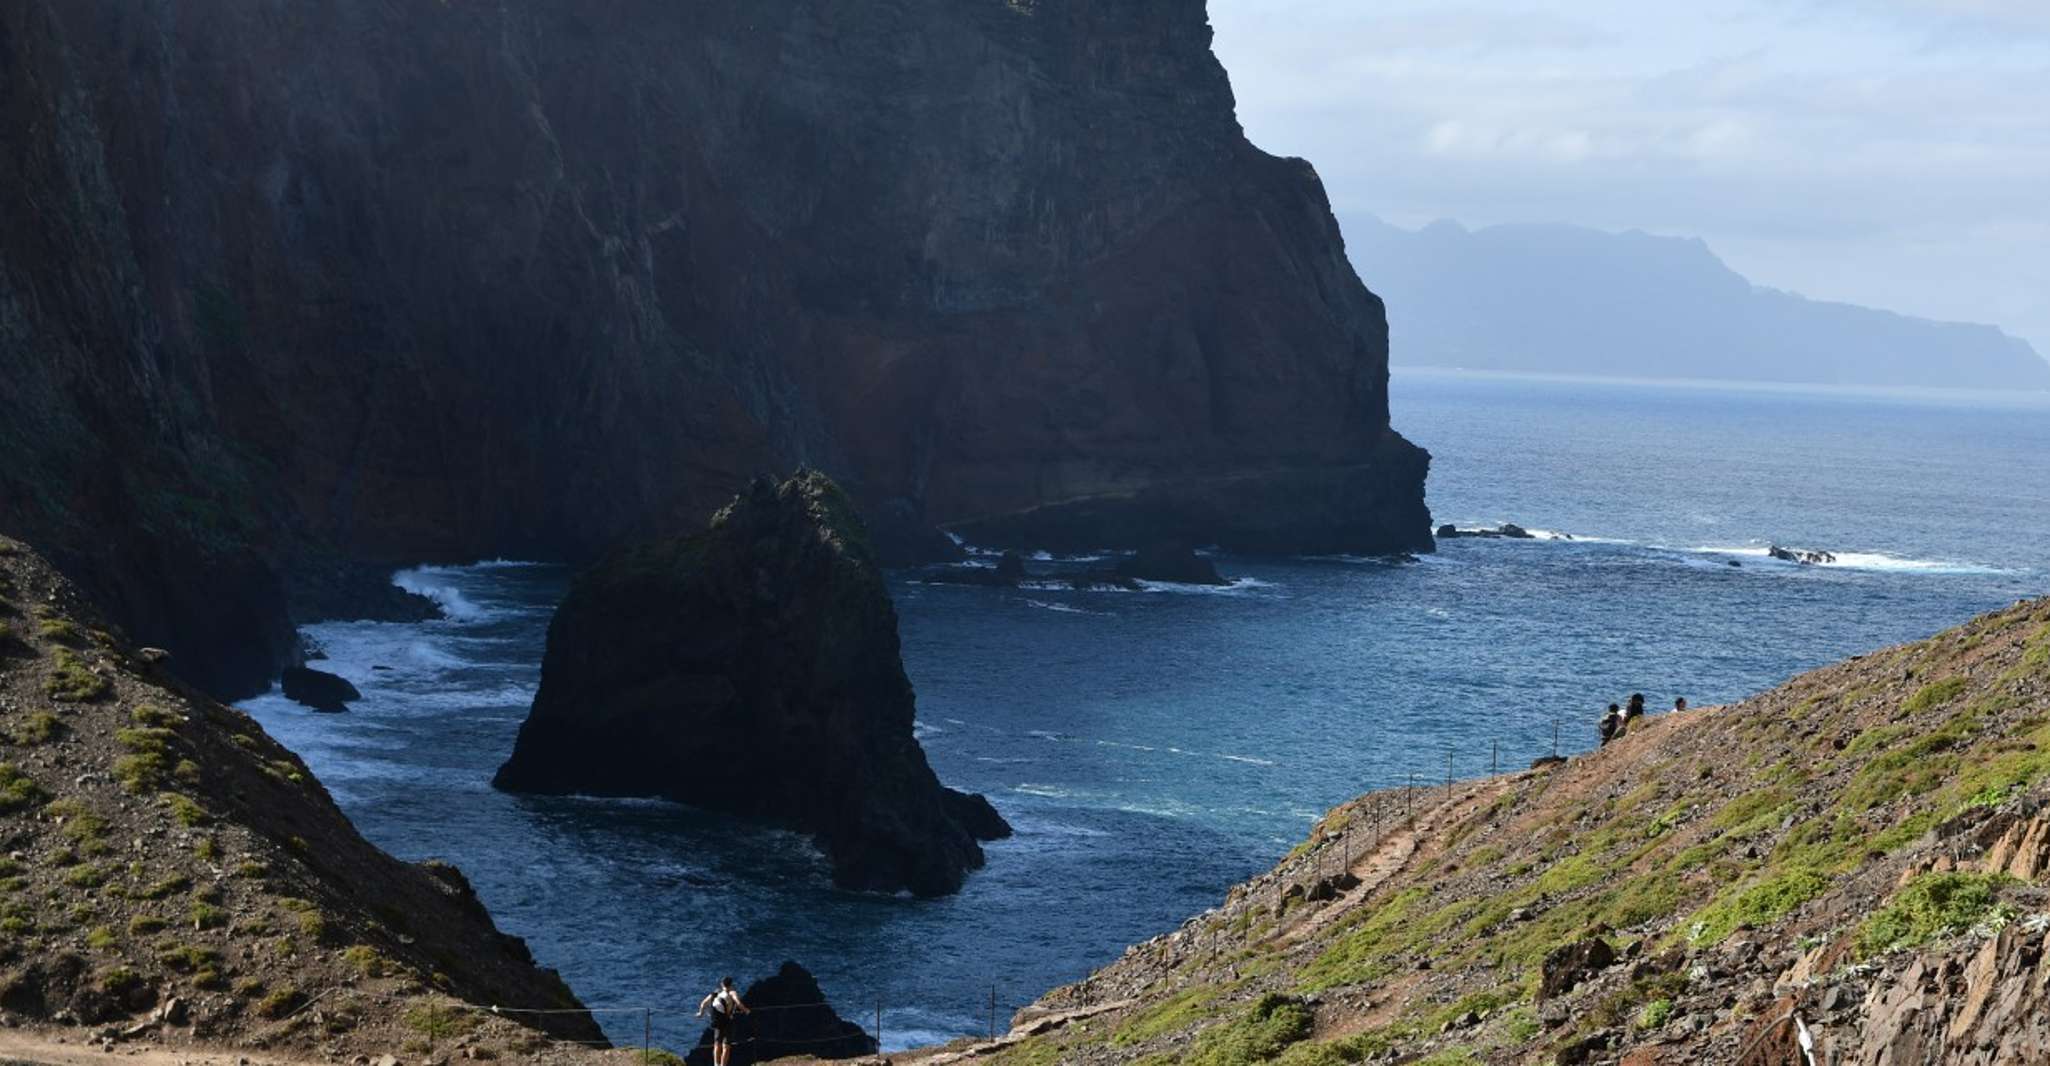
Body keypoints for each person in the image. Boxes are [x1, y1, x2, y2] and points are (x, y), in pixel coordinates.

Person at [698, 977, 750, 1066]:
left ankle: (716, 1064)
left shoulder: (716, 993)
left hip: (717, 1022)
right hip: (727, 1022)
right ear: (731, 984)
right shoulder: (732, 992)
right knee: (726, 1046)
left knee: (717, 1044)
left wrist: (700, 1013)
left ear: (722, 984)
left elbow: (703, 1003)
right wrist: (747, 1011)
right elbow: (738, 1003)